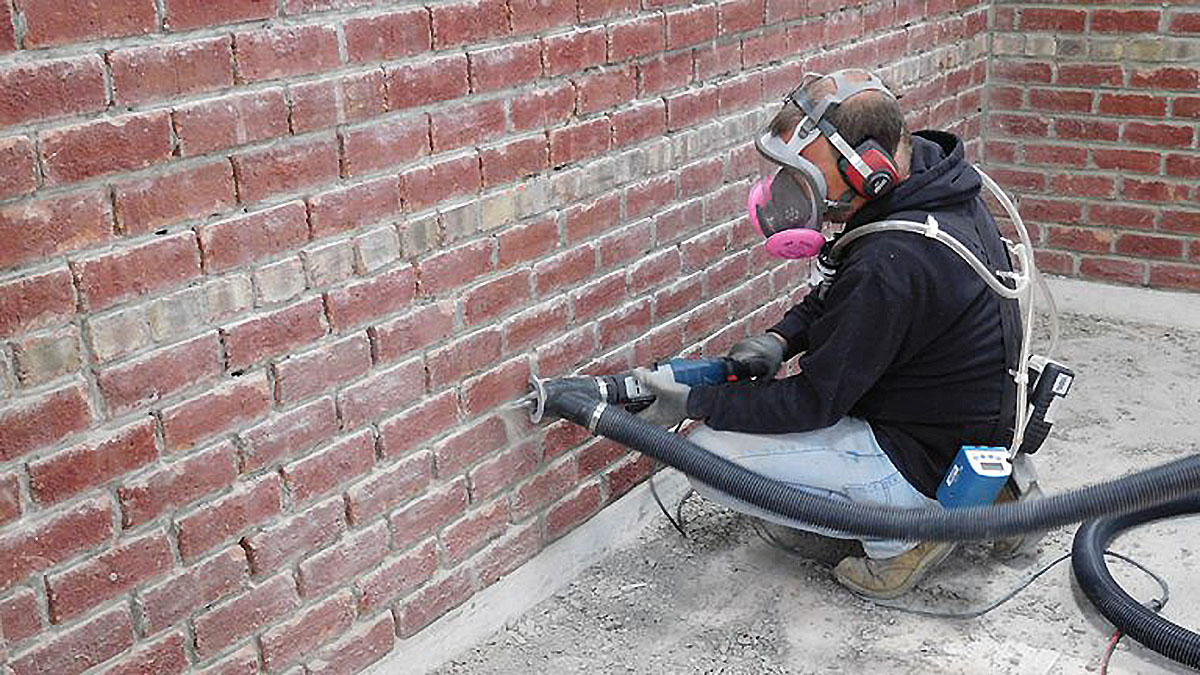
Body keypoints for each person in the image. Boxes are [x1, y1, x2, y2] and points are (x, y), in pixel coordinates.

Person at [633, 68, 1022, 599]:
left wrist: (697, 402)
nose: (788, 191)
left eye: (801, 175)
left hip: (914, 454)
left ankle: (904, 537)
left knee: (705, 456)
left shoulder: (894, 261)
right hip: (965, 421)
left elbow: (813, 402)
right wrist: (782, 337)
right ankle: (989, 489)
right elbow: (846, 293)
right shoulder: (932, 187)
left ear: (868, 169)